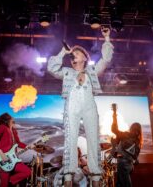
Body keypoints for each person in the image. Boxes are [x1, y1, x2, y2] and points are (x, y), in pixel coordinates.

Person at [47, 27, 113, 187]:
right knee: (70, 140)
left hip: (89, 107)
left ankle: (96, 177)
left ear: (84, 57)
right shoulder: (67, 72)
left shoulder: (92, 71)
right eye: (72, 54)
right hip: (72, 107)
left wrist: (107, 39)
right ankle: (68, 176)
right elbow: (51, 68)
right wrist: (63, 52)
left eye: (76, 52)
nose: (73, 54)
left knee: (93, 140)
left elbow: (105, 59)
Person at [0, 113, 31, 187]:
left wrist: (29, 146)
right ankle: (5, 182)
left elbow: (18, 143)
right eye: (11, 118)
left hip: (13, 159)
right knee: (4, 185)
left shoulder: (14, 130)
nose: (13, 118)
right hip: (4, 159)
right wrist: (2, 155)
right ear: (7, 119)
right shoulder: (2, 127)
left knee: (27, 171)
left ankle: (10, 181)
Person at [111, 115, 143, 187]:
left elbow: (114, 129)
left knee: (124, 184)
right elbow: (135, 157)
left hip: (123, 165)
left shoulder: (126, 135)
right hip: (128, 165)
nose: (135, 132)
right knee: (120, 184)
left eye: (136, 130)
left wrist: (114, 116)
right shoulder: (138, 141)